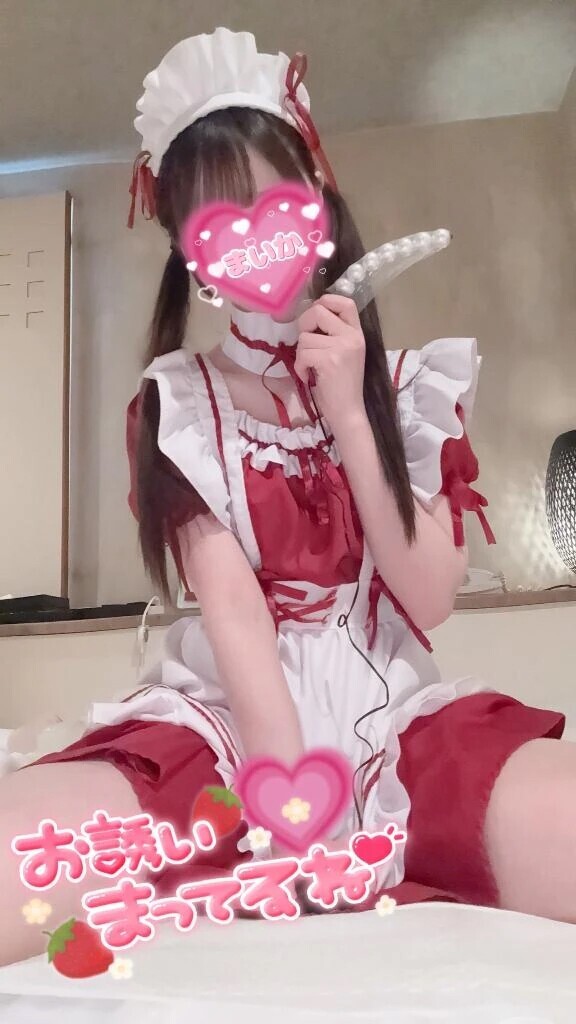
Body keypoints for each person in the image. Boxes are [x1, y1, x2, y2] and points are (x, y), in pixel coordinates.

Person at [1, 26, 574, 968]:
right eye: (216, 223)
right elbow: (235, 617)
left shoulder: (409, 389)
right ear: (190, 255)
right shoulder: (180, 405)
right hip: (226, 731)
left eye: (273, 202)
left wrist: (351, 411)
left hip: (398, 726)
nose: (254, 238)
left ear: (318, 198)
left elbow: (429, 596)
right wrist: (290, 814)